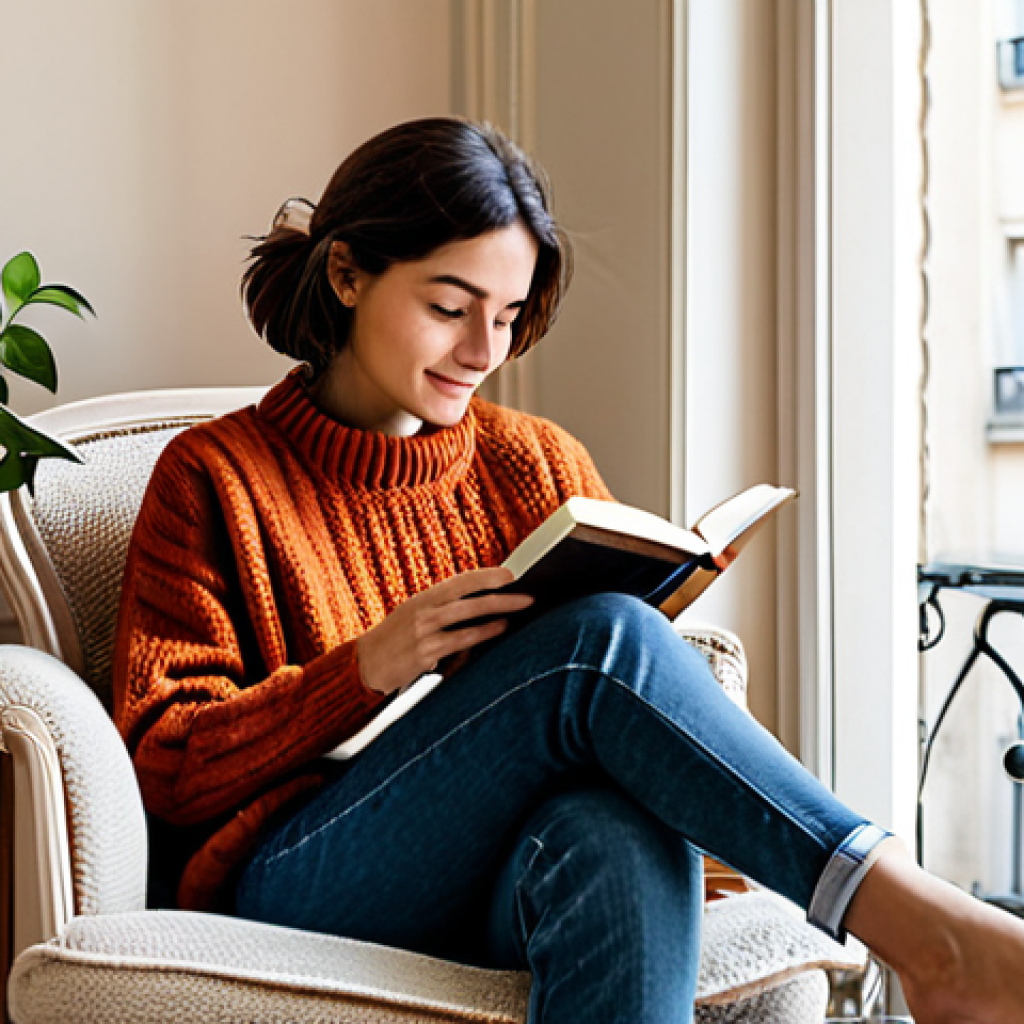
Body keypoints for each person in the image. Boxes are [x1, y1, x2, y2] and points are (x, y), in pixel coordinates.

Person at [113, 116, 1024, 1024]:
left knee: (616, 834)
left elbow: (620, 723)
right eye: (448, 307)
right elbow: (163, 762)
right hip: (305, 872)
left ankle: (922, 935)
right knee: (600, 643)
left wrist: (671, 595)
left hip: (505, 864)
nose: (483, 351)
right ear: (348, 274)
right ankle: (923, 930)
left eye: (506, 317)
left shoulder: (537, 463)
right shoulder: (213, 478)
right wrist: (366, 668)